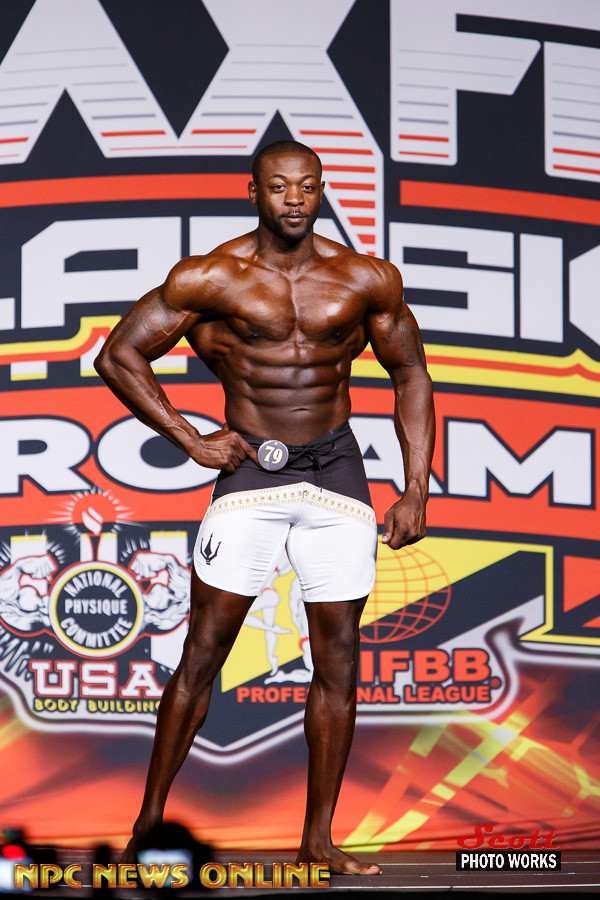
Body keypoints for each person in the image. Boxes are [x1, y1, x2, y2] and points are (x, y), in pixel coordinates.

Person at [94, 140, 435, 876]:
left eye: (307, 186)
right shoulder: (210, 277)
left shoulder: (365, 278)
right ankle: (146, 829)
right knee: (203, 652)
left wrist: (416, 487)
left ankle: (319, 840)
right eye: (279, 187)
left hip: (336, 469)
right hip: (251, 470)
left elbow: (410, 370)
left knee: (339, 659)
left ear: (321, 190)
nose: (294, 199)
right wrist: (190, 438)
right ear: (253, 191)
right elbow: (118, 355)